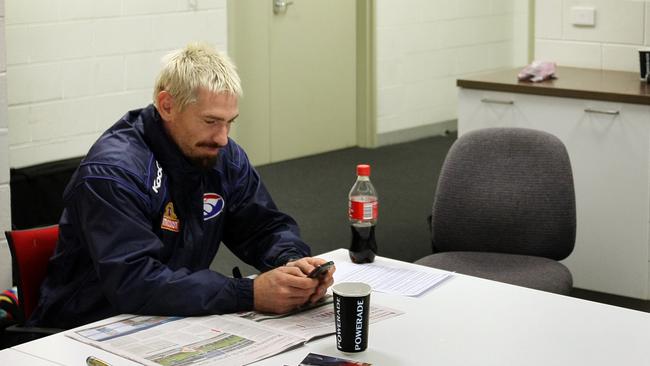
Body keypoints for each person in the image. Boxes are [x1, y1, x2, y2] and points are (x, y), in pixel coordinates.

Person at [28, 42, 334, 329]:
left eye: (230, 122)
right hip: (88, 324)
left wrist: (293, 263)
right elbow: (134, 281)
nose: (223, 138)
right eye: (210, 121)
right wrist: (249, 292)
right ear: (167, 106)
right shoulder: (112, 173)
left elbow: (263, 227)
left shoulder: (220, 155)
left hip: (167, 314)